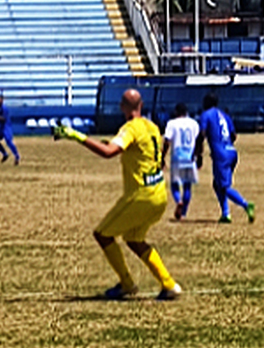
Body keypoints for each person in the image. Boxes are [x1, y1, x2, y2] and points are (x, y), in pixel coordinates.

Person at [53, 88, 182, 301]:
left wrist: (77, 136)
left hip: (140, 196)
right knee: (133, 239)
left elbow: (108, 153)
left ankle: (126, 283)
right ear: (141, 105)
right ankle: (169, 284)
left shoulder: (130, 128)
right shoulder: (151, 127)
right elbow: (136, 150)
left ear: (122, 107)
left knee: (102, 234)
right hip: (159, 194)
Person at [196, 93, 255, 224]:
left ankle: (246, 205)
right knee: (217, 185)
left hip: (220, 155)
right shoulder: (225, 115)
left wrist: (199, 154)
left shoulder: (206, 115)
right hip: (232, 153)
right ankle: (225, 214)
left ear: (207, 103)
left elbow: (202, 134)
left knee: (224, 187)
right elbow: (233, 135)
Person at [162, 102, 200, 221]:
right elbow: (199, 140)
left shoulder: (172, 123)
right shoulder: (194, 123)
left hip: (177, 158)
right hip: (190, 157)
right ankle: (183, 213)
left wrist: (162, 156)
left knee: (174, 185)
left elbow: (167, 141)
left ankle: (178, 201)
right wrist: (198, 155)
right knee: (187, 186)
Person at [0, 92, 20, 165]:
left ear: (2, 100)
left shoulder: (4, 108)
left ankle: (17, 156)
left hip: (6, 126)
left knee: (9, 141)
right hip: (2, 127)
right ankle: (4, 153)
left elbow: (4, 119)